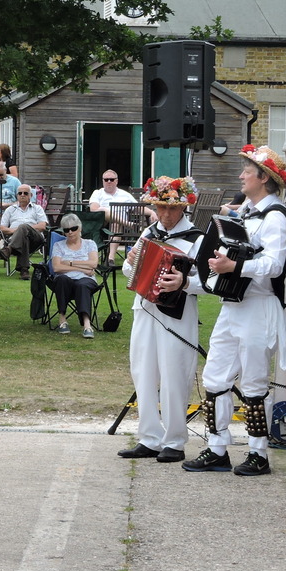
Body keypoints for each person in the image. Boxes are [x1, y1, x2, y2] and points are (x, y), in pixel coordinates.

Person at [183, 145, 286, 477]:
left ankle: (259, 454)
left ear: (264, 178)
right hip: (233, 306)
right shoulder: (245, 211)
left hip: (259, 307)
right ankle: (217, 448)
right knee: (214, 377)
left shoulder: (276, 217)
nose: (241, 175)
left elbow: (274, 265)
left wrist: (235, 265)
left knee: (255, 381)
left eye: (247, 171)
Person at [118, 176, 202, 463]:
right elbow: (129, 275)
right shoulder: (148, 233)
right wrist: (129, 263)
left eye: (172, 209)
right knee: (143, 371)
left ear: (183, 209)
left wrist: (185, 282)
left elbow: (211, 281)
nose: (165, 215)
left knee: (175, 374)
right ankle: (149, 437)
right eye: (160, 208)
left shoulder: (197, 238)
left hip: (177, 313)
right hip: (144, 310)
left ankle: (175, 441)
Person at [49, 213, 100, 337]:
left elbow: (93, 264)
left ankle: (87, 325)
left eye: (73, 228)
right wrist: (83, 268)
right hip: (67, 280)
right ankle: (62, 319)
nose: (70, 232)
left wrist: (70, 262)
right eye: (66, 230)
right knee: (62, 279)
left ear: (80, 228)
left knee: (82, 284)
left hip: (86, 280)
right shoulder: (58, 245)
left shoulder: (90, 243)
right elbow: (56, 267)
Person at [89, 170, 144, 261]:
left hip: (119, 227)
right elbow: (94, 209)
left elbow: (137, 208)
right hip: (101, 225)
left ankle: (111, 258)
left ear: (116, 181)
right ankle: (127, 223)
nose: (109, 182)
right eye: (106, 180)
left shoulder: (125, 195)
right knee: (104, 210)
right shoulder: (97, 193)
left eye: (111, 179)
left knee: (115, 223)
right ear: (103, 181)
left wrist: (152, 212)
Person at [0, 185, 47, 279]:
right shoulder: (10, 210)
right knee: (24, 237)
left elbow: (42, 226)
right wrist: (18, 231)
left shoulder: (37, 208)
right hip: (17, 240)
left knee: (23, 227)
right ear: (17, 195)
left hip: (35, 240)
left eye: (25, 193)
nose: (22, 195)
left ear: (30, 195)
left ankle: (9, 249)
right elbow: (2, 228)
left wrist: (23, 228)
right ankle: (24, 270)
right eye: (20, 193)